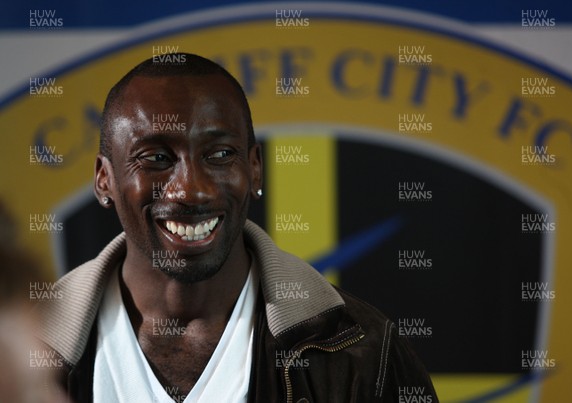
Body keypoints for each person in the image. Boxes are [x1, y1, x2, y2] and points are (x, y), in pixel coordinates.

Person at [36, 53, 438, 403]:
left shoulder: (364, 351)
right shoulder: (25, 351)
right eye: (156, 157)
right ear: (104, 179)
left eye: (220, 154)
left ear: (255, 167)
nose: (191, 189)